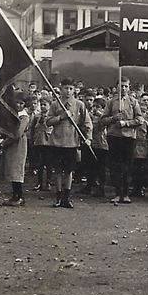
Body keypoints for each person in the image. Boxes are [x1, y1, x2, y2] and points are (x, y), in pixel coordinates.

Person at [45, 78, 92, 208]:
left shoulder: (79, 105)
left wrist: (88, 137)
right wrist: (60, 117)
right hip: (57, 142)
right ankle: (58, 197)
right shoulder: (55, 104)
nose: (68, 91)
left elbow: (87, 123)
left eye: (71, 88)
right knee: (58, 171)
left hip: (71, 142)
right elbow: (47, 121)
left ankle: (67, 197)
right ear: (61, 89)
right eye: (66, 88)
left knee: (69, 171)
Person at [104, 77, 142, 204]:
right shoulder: (111, 102)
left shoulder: (133, 102)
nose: (124, 88)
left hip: (128, 137)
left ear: (129, 87)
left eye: (126, 86)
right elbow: (103, 120)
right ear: (117, 87)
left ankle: (125, 193)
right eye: (121, 86)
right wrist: (113, 118)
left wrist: (125, 123)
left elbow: (140, 120)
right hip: (114, 136)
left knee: (127, 166)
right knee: (115, 166)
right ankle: (117, 193)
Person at [0, 92, 32, 206]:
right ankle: (14, 195)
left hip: (18, 143)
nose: (18, 105)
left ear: (25, 105)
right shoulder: (14, 114)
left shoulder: (24, 117)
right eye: (17, 102)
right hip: (12, 143)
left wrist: (5, 142)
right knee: (12, 169)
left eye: (21, 103)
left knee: (16, 169)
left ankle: (19, 196)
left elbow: (17, 134)